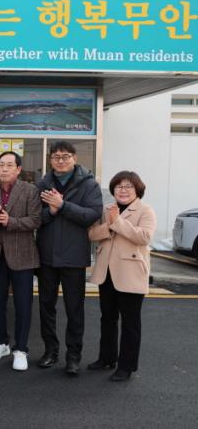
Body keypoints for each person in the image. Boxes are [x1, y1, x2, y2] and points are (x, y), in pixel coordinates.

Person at [36, 141, 103, 375]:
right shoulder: (42, 184)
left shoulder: (89, 184)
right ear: (50, 160)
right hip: (46, 256)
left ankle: (73, 356)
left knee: (74, 309)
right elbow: (35, 218)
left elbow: (92, 215)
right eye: (56, 157)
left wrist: (62, 205)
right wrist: (50, 211)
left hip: (74, 257)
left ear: (74, 158)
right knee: (46, 307)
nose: (60, 160)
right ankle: (50, 351)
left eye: (65, 156)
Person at [87, 171, 156, 382]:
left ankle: (126, 367)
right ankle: (106, 358)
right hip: (106, 272)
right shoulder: (107, 209)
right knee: (107, 318)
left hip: (131, 273)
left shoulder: (145, 210)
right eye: (118, 187)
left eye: (128, 187)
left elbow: (144, 237)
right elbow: (92, 234)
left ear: (137, 190)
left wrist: (117, 222)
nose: (123, 190)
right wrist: (109, 225)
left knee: (130, 323)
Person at [0, 151, 41, 371]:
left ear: (18, 169)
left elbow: (36, 220)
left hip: (22, 255)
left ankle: (21, 349)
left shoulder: (30, 191)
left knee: (23, 304)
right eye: (1, 165)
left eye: (9, 165)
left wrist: (11, 221)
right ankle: (1, 343)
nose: (4, 169)